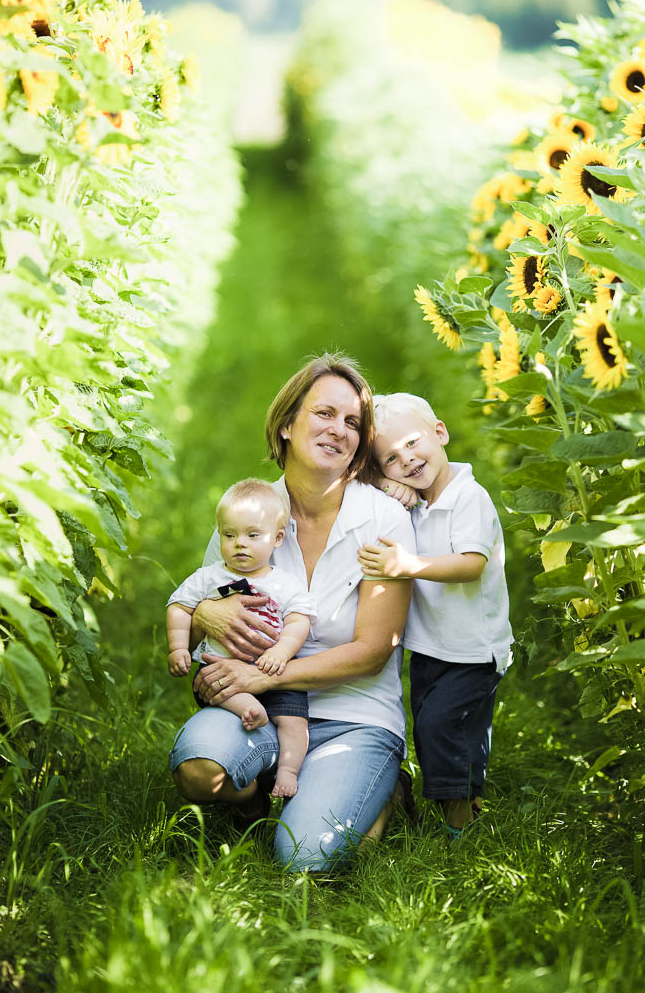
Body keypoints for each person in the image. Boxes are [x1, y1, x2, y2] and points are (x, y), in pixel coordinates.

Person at [168, 353, 415, 872]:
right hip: (259, 713)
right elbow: (194, 608)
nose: (338, 430)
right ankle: (258, 795)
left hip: (355, 714)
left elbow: (373, 652)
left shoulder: (382, 517)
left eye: (352, 423)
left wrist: (259, 676)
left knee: (303, 858)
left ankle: (381, 789)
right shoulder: (249, 513)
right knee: (198, 770)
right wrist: (208, 616)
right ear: (286, 425)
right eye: (324, 414)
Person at [359, 392, 512, 833]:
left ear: (440, 432)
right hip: (432, 647)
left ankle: (460, 828)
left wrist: (408, 565)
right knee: (434, 730)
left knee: (445, 728)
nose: (405, 459)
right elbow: (363, 485)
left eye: (411, 443)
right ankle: (460, 804)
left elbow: (470, 564)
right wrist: (389, 485)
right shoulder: (418, 501)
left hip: (473, 650)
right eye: (390, 458)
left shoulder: (468, 497)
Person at [166, 478, 315, 797]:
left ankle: (288, 771)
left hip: (275, 673)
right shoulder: (209, 577)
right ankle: (249, 710)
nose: (240, 544)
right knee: (216, 685)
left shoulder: (286, 583)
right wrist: (178, 647)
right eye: (229, 535)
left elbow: (298, 620)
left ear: (277, 539)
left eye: (252, 535)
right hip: (223, 672)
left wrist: (284, 651)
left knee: (294, 722)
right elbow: (179, 607)